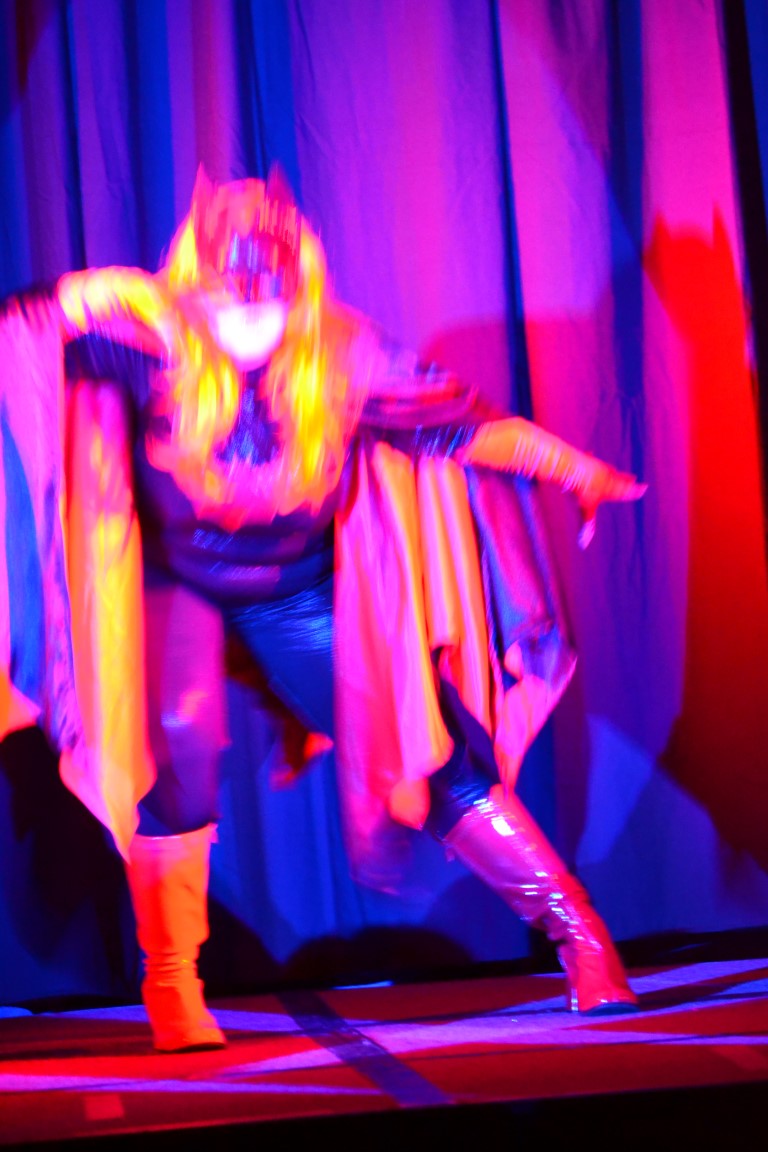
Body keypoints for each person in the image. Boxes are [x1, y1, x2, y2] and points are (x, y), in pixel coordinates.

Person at [0, 167, 644, 1052]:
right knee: (179, 742)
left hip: (293, 592)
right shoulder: (143, 332)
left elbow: (464, 426)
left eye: (263, 302)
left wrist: (578, 470)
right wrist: (74, 298)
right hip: (176, 584)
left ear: (295, 287)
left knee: (426, 741)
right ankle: (172, 978)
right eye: (226, 300)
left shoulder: (345, 354)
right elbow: (21, 343)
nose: (244, 320)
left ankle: (579, 934)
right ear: (195, 282)